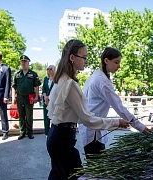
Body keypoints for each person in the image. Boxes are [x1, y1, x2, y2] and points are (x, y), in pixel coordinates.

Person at [46, 40, 131, 180]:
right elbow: (87, 119)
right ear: (72, 58)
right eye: (83, 57)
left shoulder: (62, 78)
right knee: (75, 176)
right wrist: (116, 122)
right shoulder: (69, 84)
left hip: (58, 136)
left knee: (58, 175)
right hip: (62, 139)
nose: (86, 61)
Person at [79, 47, 152, 159]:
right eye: (116, 62)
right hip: (94, 132)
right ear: (106, 61)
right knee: (97, 170)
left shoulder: (95, 77)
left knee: (95, 166)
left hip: (91, 128)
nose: (119, 66)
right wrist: (140, 126)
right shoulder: (102, 81)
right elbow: (119, 107)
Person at [12, 55, 41, 140]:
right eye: (22, 61)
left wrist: (36, 96)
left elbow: (36, 86)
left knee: (29, 116)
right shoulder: (17, 74)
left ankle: (30, 132)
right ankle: (22, 132)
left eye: (25, 62)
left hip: (29, 97)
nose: (23, 63)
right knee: (21, 115)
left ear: (28, 63)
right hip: (20, 97)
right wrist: (14, 97)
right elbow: (13, 86)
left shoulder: (33, 74)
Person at [42, 65, 55, 136]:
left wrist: (50, 98)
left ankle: (53, 132)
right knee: (46, 116)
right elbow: (44, 89)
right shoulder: (45, 79)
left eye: (50, 69)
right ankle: (47, 132)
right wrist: (45, 97)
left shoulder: (56, 79)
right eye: (48, 69)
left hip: (53, 100)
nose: (49, 70)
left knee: (53, 116)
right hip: (46, 100)